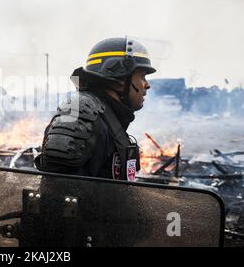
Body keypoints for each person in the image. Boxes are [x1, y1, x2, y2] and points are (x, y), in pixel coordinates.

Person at [35, 37, 156, 181]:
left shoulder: (106, 115)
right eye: (142, 76)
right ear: (120, 79)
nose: (147, 85)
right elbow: (59, 194)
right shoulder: (81, 115)